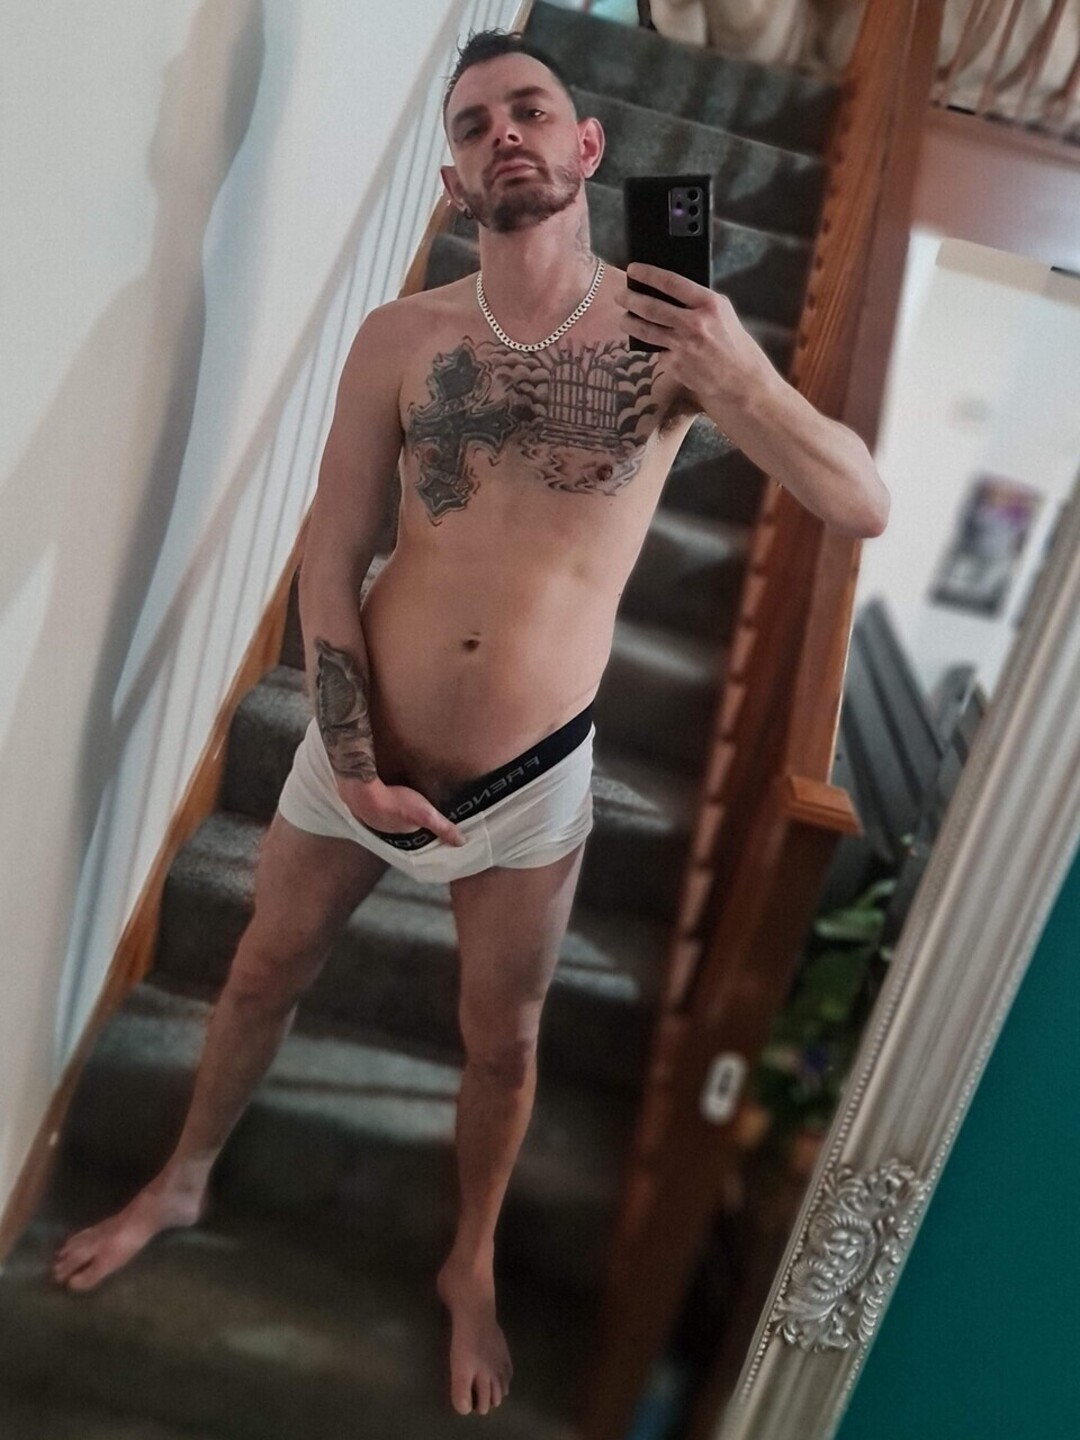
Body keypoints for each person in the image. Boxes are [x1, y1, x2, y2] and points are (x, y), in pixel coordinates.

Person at [51, 28, 889, 1417]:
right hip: (358, 743)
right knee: (258, 976)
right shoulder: (402, 338)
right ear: (451, 178)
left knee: (503, 1044)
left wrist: (740, 373)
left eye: (530, 110)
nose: (504, 132)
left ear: (585, 147)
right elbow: (333, 555)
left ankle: (472, 1263)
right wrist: (350, 759)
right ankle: (183, 1178)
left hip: (532, 786)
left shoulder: (672, 339)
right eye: (473, 121)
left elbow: (860, 501)